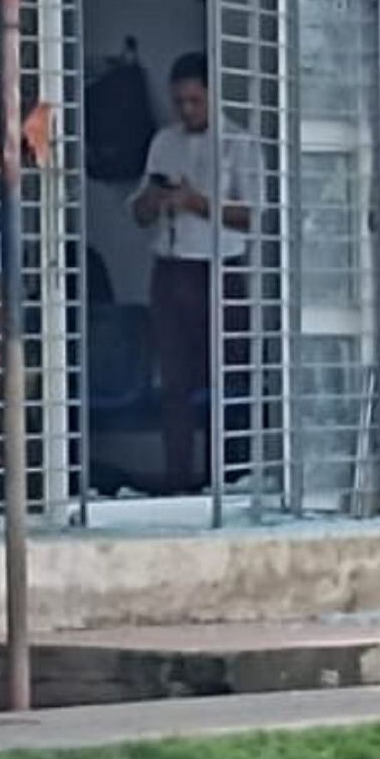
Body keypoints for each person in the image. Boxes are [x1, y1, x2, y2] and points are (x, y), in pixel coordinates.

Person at [130, 52, 255, 493]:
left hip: (219, 271)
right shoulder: (163, 142)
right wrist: (152, 201)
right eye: (179, 101)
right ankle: (179, 479)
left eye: (194, 101)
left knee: (229, 377)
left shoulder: (239, 143)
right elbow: (139, 210)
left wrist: (197, 202)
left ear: (213, 95)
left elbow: (255, 214)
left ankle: (233, 479)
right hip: (170, 270)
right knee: (174, 382)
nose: (186, 110)